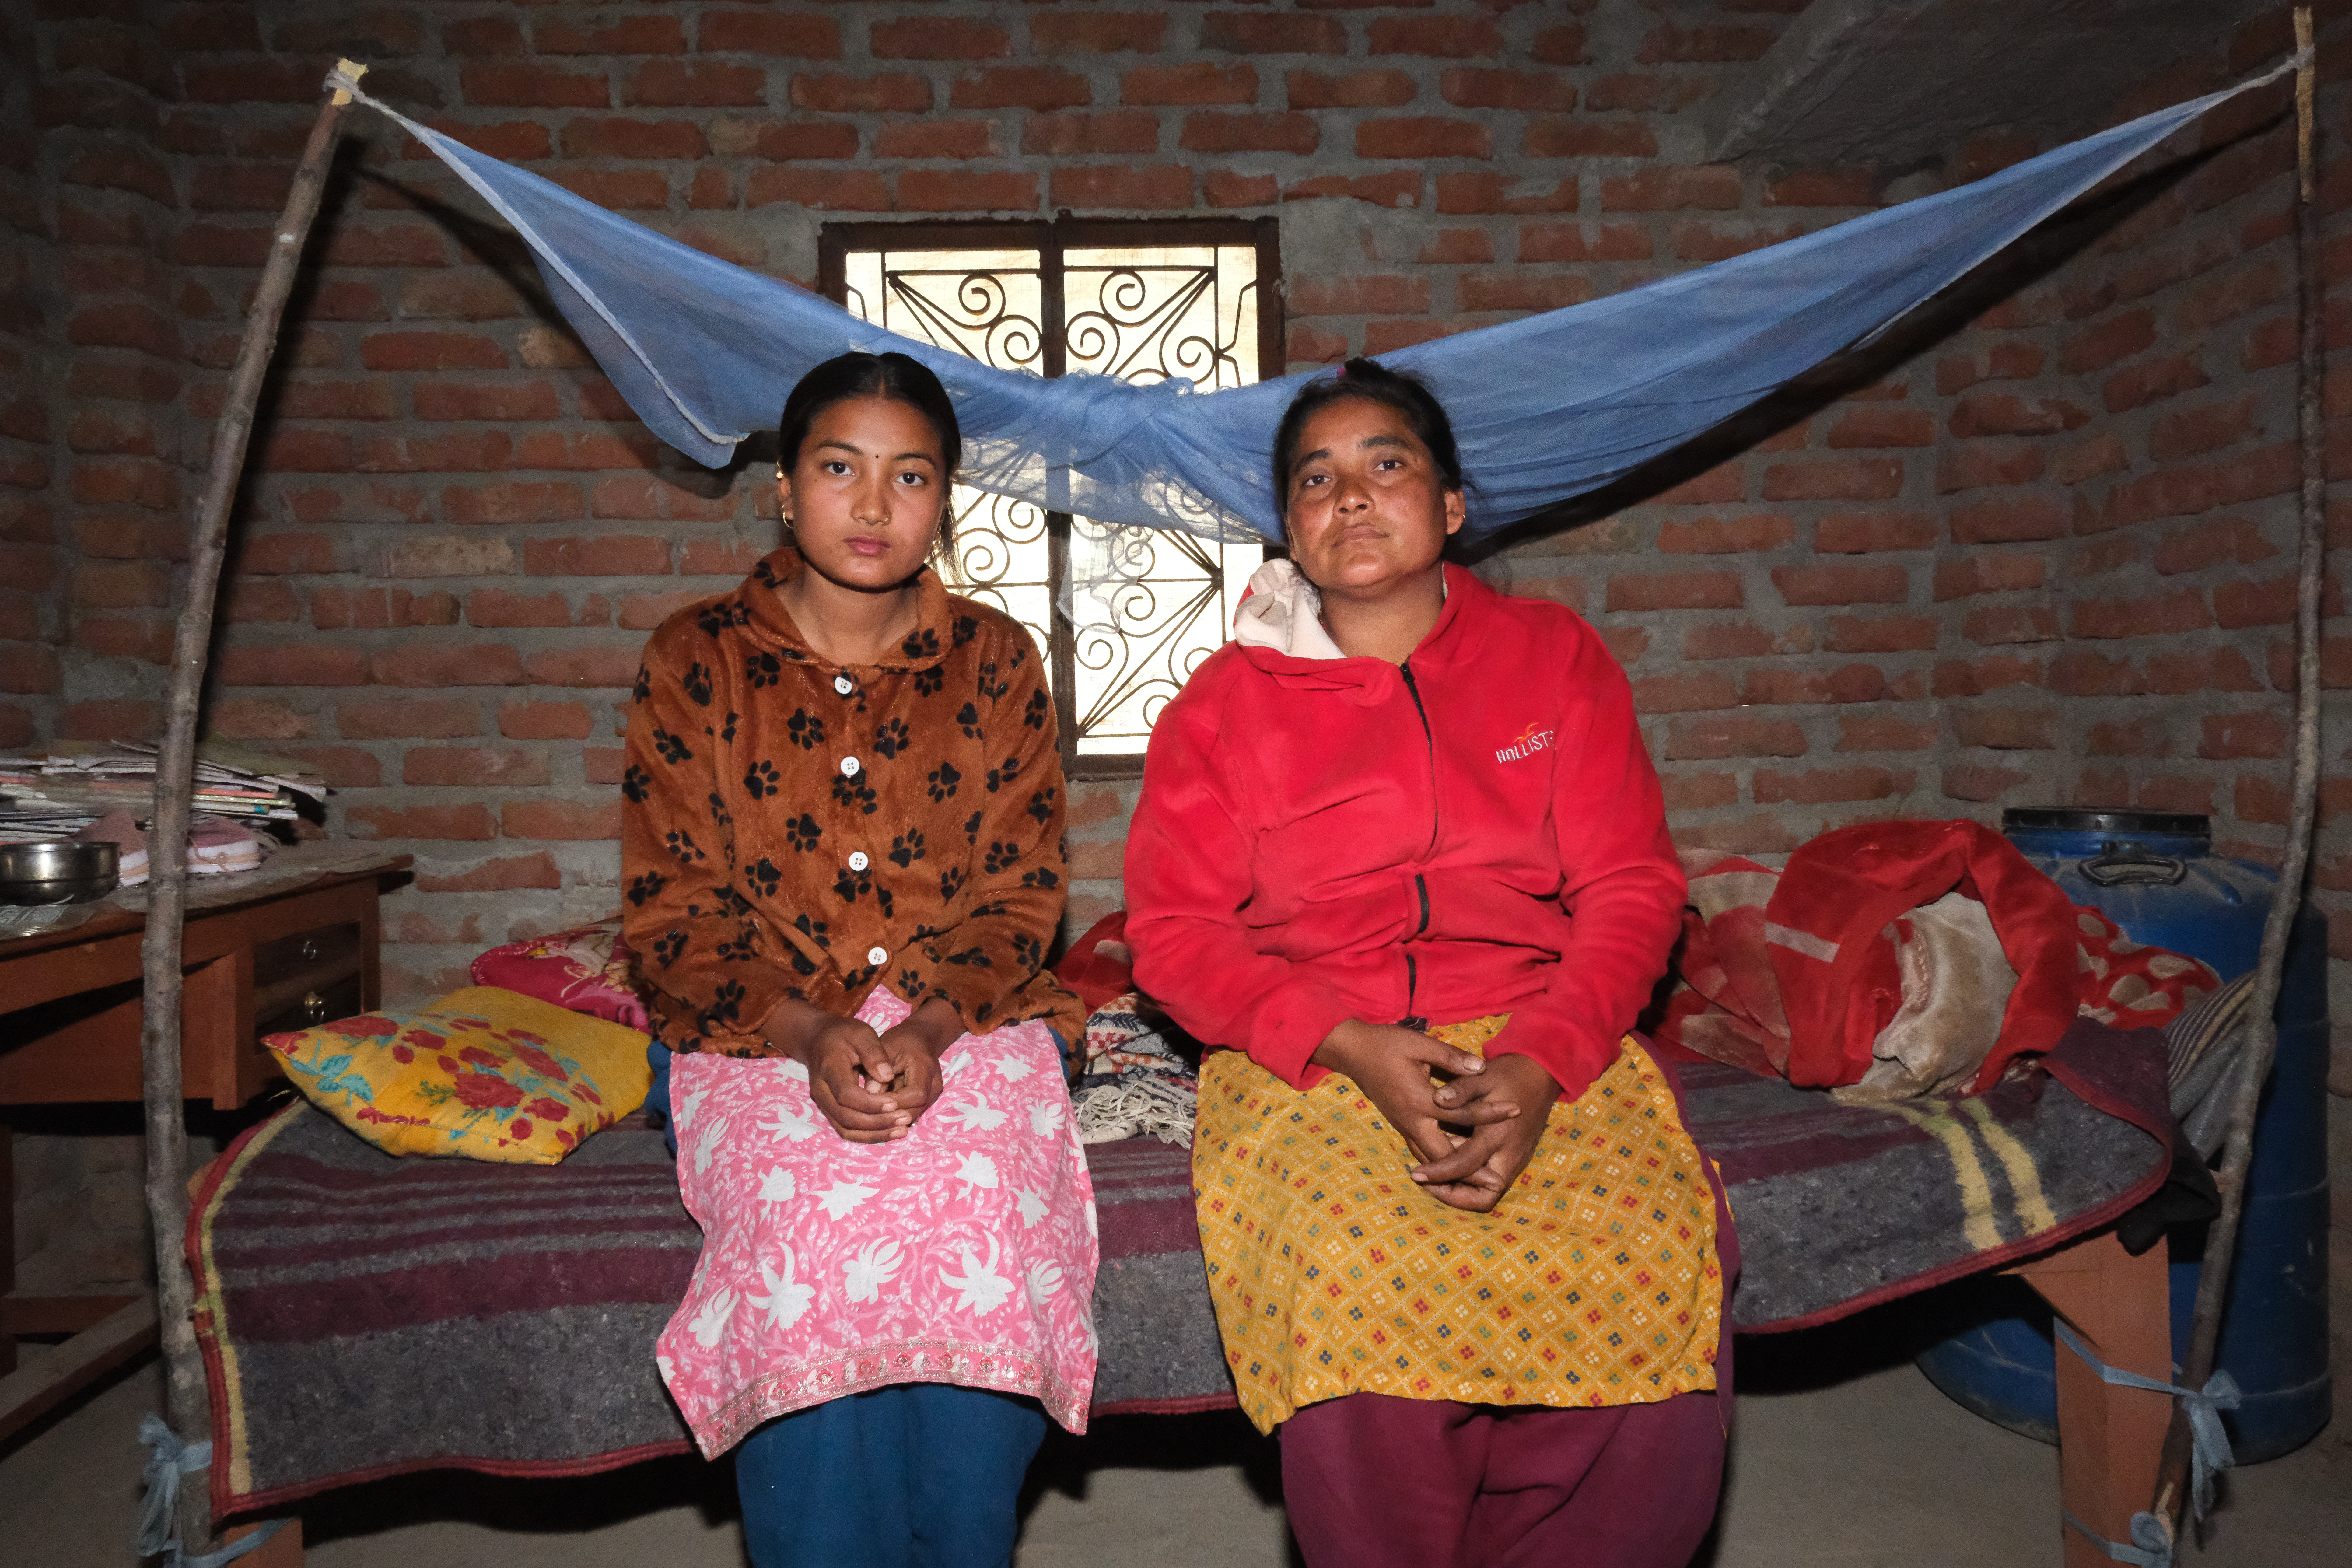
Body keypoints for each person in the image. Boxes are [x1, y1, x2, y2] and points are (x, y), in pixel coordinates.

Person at [1123, 358, 1737, 1568]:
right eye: (1317, 479)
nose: (1350, 497)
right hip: (1311, 1038)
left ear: (1451, 507)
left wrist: (1547, 1060)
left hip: (1540, 1023)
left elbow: (1630, 887)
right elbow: (1176, 933)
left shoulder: (1553, 659)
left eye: (1385, 465)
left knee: (1663, 1253)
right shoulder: (1224, 704)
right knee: (1349, 1266)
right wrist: (1347, 1045)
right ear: (1290, 528)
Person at [621, 350, 1096, 1568]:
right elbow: (673, 911)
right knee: (801, 1227)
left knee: (978, 1211)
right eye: (840, 468)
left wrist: (928, 1032)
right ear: (786, 487)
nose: (874, 507)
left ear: (946, 498)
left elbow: (1021, 895)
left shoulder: (997, 663)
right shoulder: (697, 659)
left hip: (969, 1014)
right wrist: (811, 1033)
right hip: (754, 1021)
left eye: (911, 476)